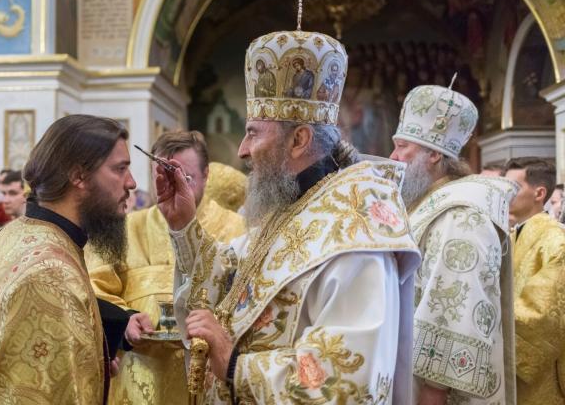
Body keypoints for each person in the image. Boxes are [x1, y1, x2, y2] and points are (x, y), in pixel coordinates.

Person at [160, 28, 421, 404]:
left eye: (252, 133)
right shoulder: (288, 205)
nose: (241, 150)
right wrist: (185, 226)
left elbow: (350, 375)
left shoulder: (357, 229)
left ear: (298, 140)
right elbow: (234, 272)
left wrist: (234, 365)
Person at [0, 115, 136, 404]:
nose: (131, 183)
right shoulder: (49, 274)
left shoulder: (14, 234)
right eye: (120, 169)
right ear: (78, 176)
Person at [87, 130, 246, 405]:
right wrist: (124, 319)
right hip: (140, 381)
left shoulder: (238, 229)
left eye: (184, 178)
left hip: (207, 380)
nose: (173, 187)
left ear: (206, 174)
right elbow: (92, 288)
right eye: (163, 177)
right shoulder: (125, 228)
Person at [389, 85, 517, 404]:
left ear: (434, 154)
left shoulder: (462, 216)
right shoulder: (425, 203)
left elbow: (453, 317)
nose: (393, 157)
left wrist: (432, 395)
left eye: (402, 146)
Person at [503, 157, 565, 404]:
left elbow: (544, 314)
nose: (505, 195)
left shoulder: (556, 243)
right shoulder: (508, 236)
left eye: (513, 188)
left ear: (539, 193)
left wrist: (491, 338)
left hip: (539, 375)